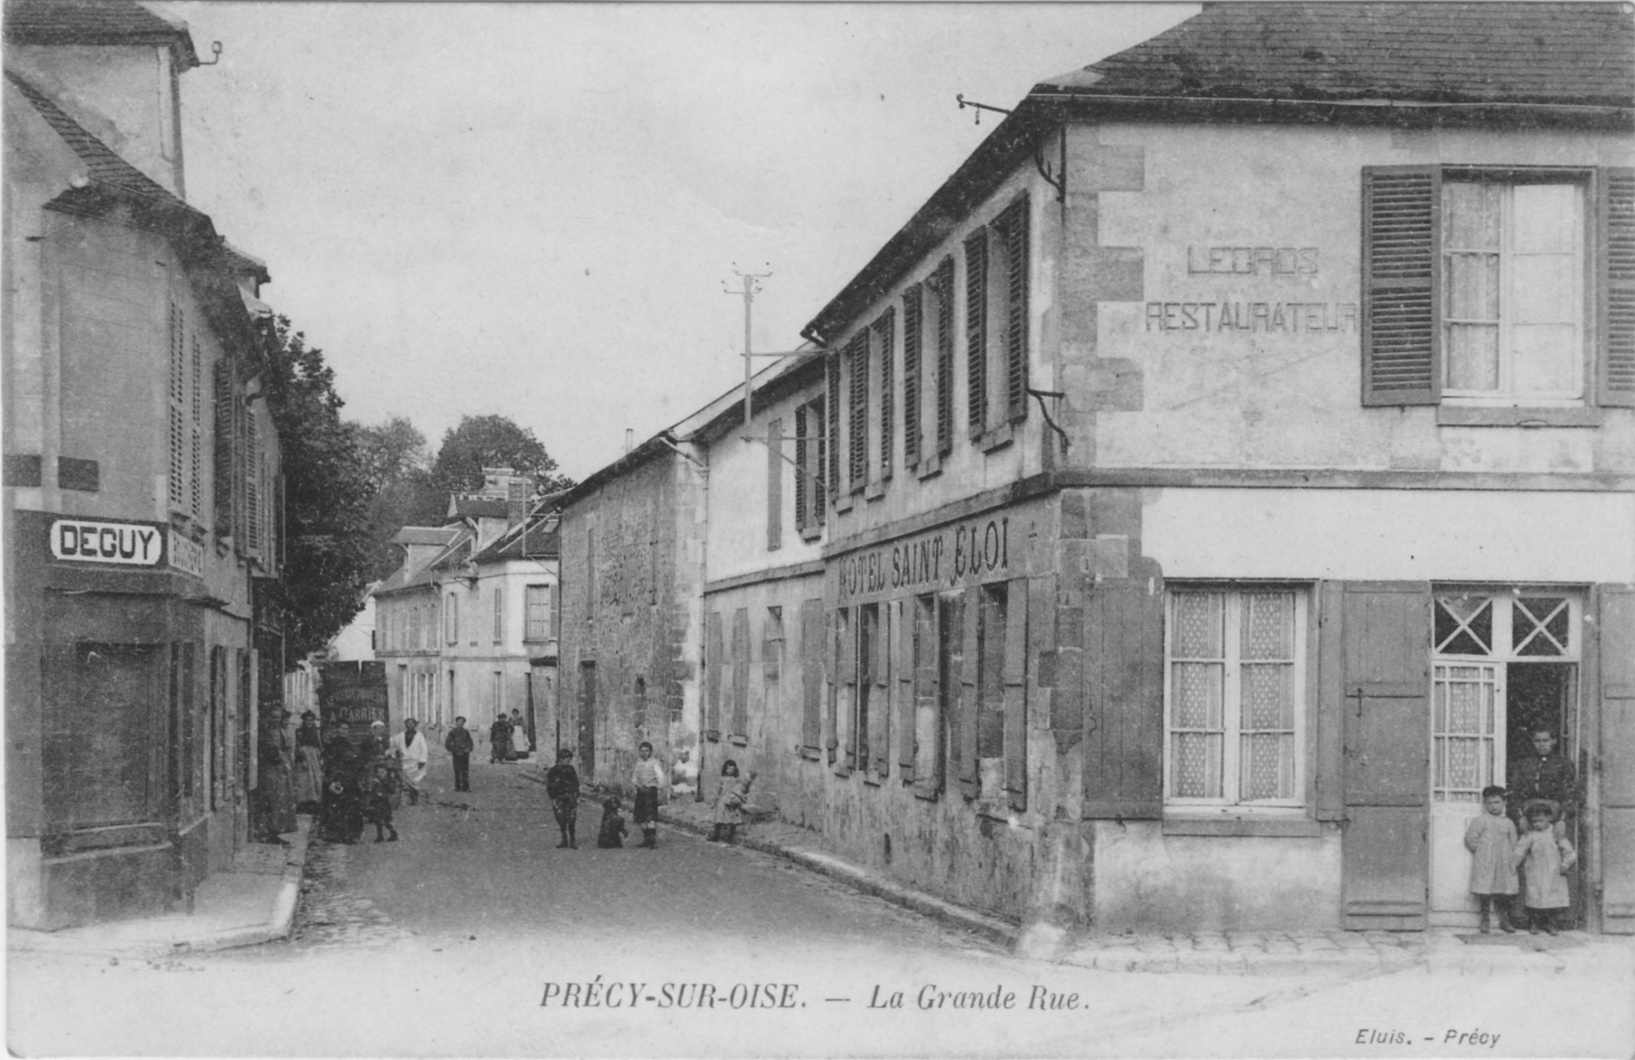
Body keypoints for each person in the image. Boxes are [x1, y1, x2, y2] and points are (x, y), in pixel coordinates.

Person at [1514, 800, 1577, 935]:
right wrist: (1514, 863)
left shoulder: (1556, 833)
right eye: (1534, 821)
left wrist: (1565, 864)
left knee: (1553, 898)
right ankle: (1535, 923)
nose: (1537, 824)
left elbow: (1569, 851)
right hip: (1535, 870)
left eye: (1541, 820)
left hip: (1554, 871)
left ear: (1549, 818)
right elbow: (1520, 851)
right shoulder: (1530, 835)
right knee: (1535, 896)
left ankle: (1551, 924)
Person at [1464, 785, 1518, 934]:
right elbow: (1470, 839)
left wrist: (1510, 857)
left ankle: (1504, 920)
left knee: (1504, 890)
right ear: (1485, 804)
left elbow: (1514, 843)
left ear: (1504, 802)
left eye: (1497, 802)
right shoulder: (1480, 820)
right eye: (1489, 803)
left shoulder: (1508, 822)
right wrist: (1482, 850)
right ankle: (1485, 919)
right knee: (1485, 888)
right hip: (1486, 860)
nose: (1493, 806)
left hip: (1504, 861)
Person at [1509, 728, 1577, 837]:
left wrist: (1563, 820)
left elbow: (1570, 794)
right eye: (1537, 741)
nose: (1541, 745)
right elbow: (1514, 791)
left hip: (1555, 816)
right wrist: (1520, 816)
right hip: (1528, 815)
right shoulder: (1524, 764)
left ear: (1553, 741)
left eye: (1545, 740)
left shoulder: (1563, 764)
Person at [709, 759, 755, 844]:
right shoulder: (721, 779)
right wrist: (714, 801)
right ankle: (716, 835)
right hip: (722, 802)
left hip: (732, 802)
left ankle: (730, 837)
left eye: (732, 769)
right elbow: (717, 791)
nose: (730, 771)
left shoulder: (736, 780)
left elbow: (743, 786)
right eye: (729, 769)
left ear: (735, 770)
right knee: (719, 819)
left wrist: (748, 781)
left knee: (733, 819)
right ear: (725, 769)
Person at [545, 748, 581, 849]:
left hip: (571, 798)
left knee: (572, 819)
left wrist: (577, 796)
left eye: (569, 759)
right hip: (559, 798)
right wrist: (552, 799)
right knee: (561, 820)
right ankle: (564, 840)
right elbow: (550, 786)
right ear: (560, 759)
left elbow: (576, 783)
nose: (568, 761)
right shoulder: (553, 771)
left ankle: (573, 841)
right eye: (566, 759)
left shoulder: (571, 769)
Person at [631, 741, 664, 849]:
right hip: (641, 790)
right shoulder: (639, 763)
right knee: (639, 816)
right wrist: (637, 785)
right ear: (639, 752)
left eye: (647, 751)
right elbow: (634, 777)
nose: (644, 753)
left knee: (650, 816)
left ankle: (652, 841)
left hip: (651, 791)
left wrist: (659, 789)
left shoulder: (654, 763)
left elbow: (661, 777)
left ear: (651, 752)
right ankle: (646, 838)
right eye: (642, 751)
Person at [292, 711, 324, 815]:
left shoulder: (315, 731)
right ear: (304, 721)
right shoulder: (299, 731)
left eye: (311, 720)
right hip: (304, 756)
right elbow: (298, 746)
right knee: (304, 780)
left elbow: (319, 745)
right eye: (307, 720)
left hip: (314, 756)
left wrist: (320, 758)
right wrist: (302, 759)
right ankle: (303, 803)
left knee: (315, 779)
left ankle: (314, 803)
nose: (309, 722)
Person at [392, 718, 429, 805]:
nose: (410, 725)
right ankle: (407, 798)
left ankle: (414, 799)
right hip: (405, 762)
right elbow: (392, 741)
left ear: (415, 725)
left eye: (412, 723)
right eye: (408, 723)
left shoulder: (419, 736)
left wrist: (422, 760)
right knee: (406, 780)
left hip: (415, 762)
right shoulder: (401, 735)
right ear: (405, 725)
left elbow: (424, 749)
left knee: (414, 781)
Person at [363, 761, 400, 842]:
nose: (380, 774)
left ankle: (393, 833)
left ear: (386, 773)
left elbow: (391, 791)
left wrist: (382, 783)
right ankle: (380, 836)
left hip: (384, 802)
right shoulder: (376, 780)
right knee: (378, 820)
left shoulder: (388, 781)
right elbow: (373, 790)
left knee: (384, 820)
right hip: (376, 801)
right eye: (378, 772)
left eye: (382, 772)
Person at [444, 716, 474, 793]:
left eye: (462, 722)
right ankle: (457, 787)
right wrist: (454, 750)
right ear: (456, 723)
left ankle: (466, 787)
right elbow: (447, 743)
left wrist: (468, 749)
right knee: (457, 770)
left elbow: (470, 742)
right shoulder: (452, 732)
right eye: (459, 722)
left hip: (465, 754)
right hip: (457, 754)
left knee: (465, 771)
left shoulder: (466, 732)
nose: (461, 723)